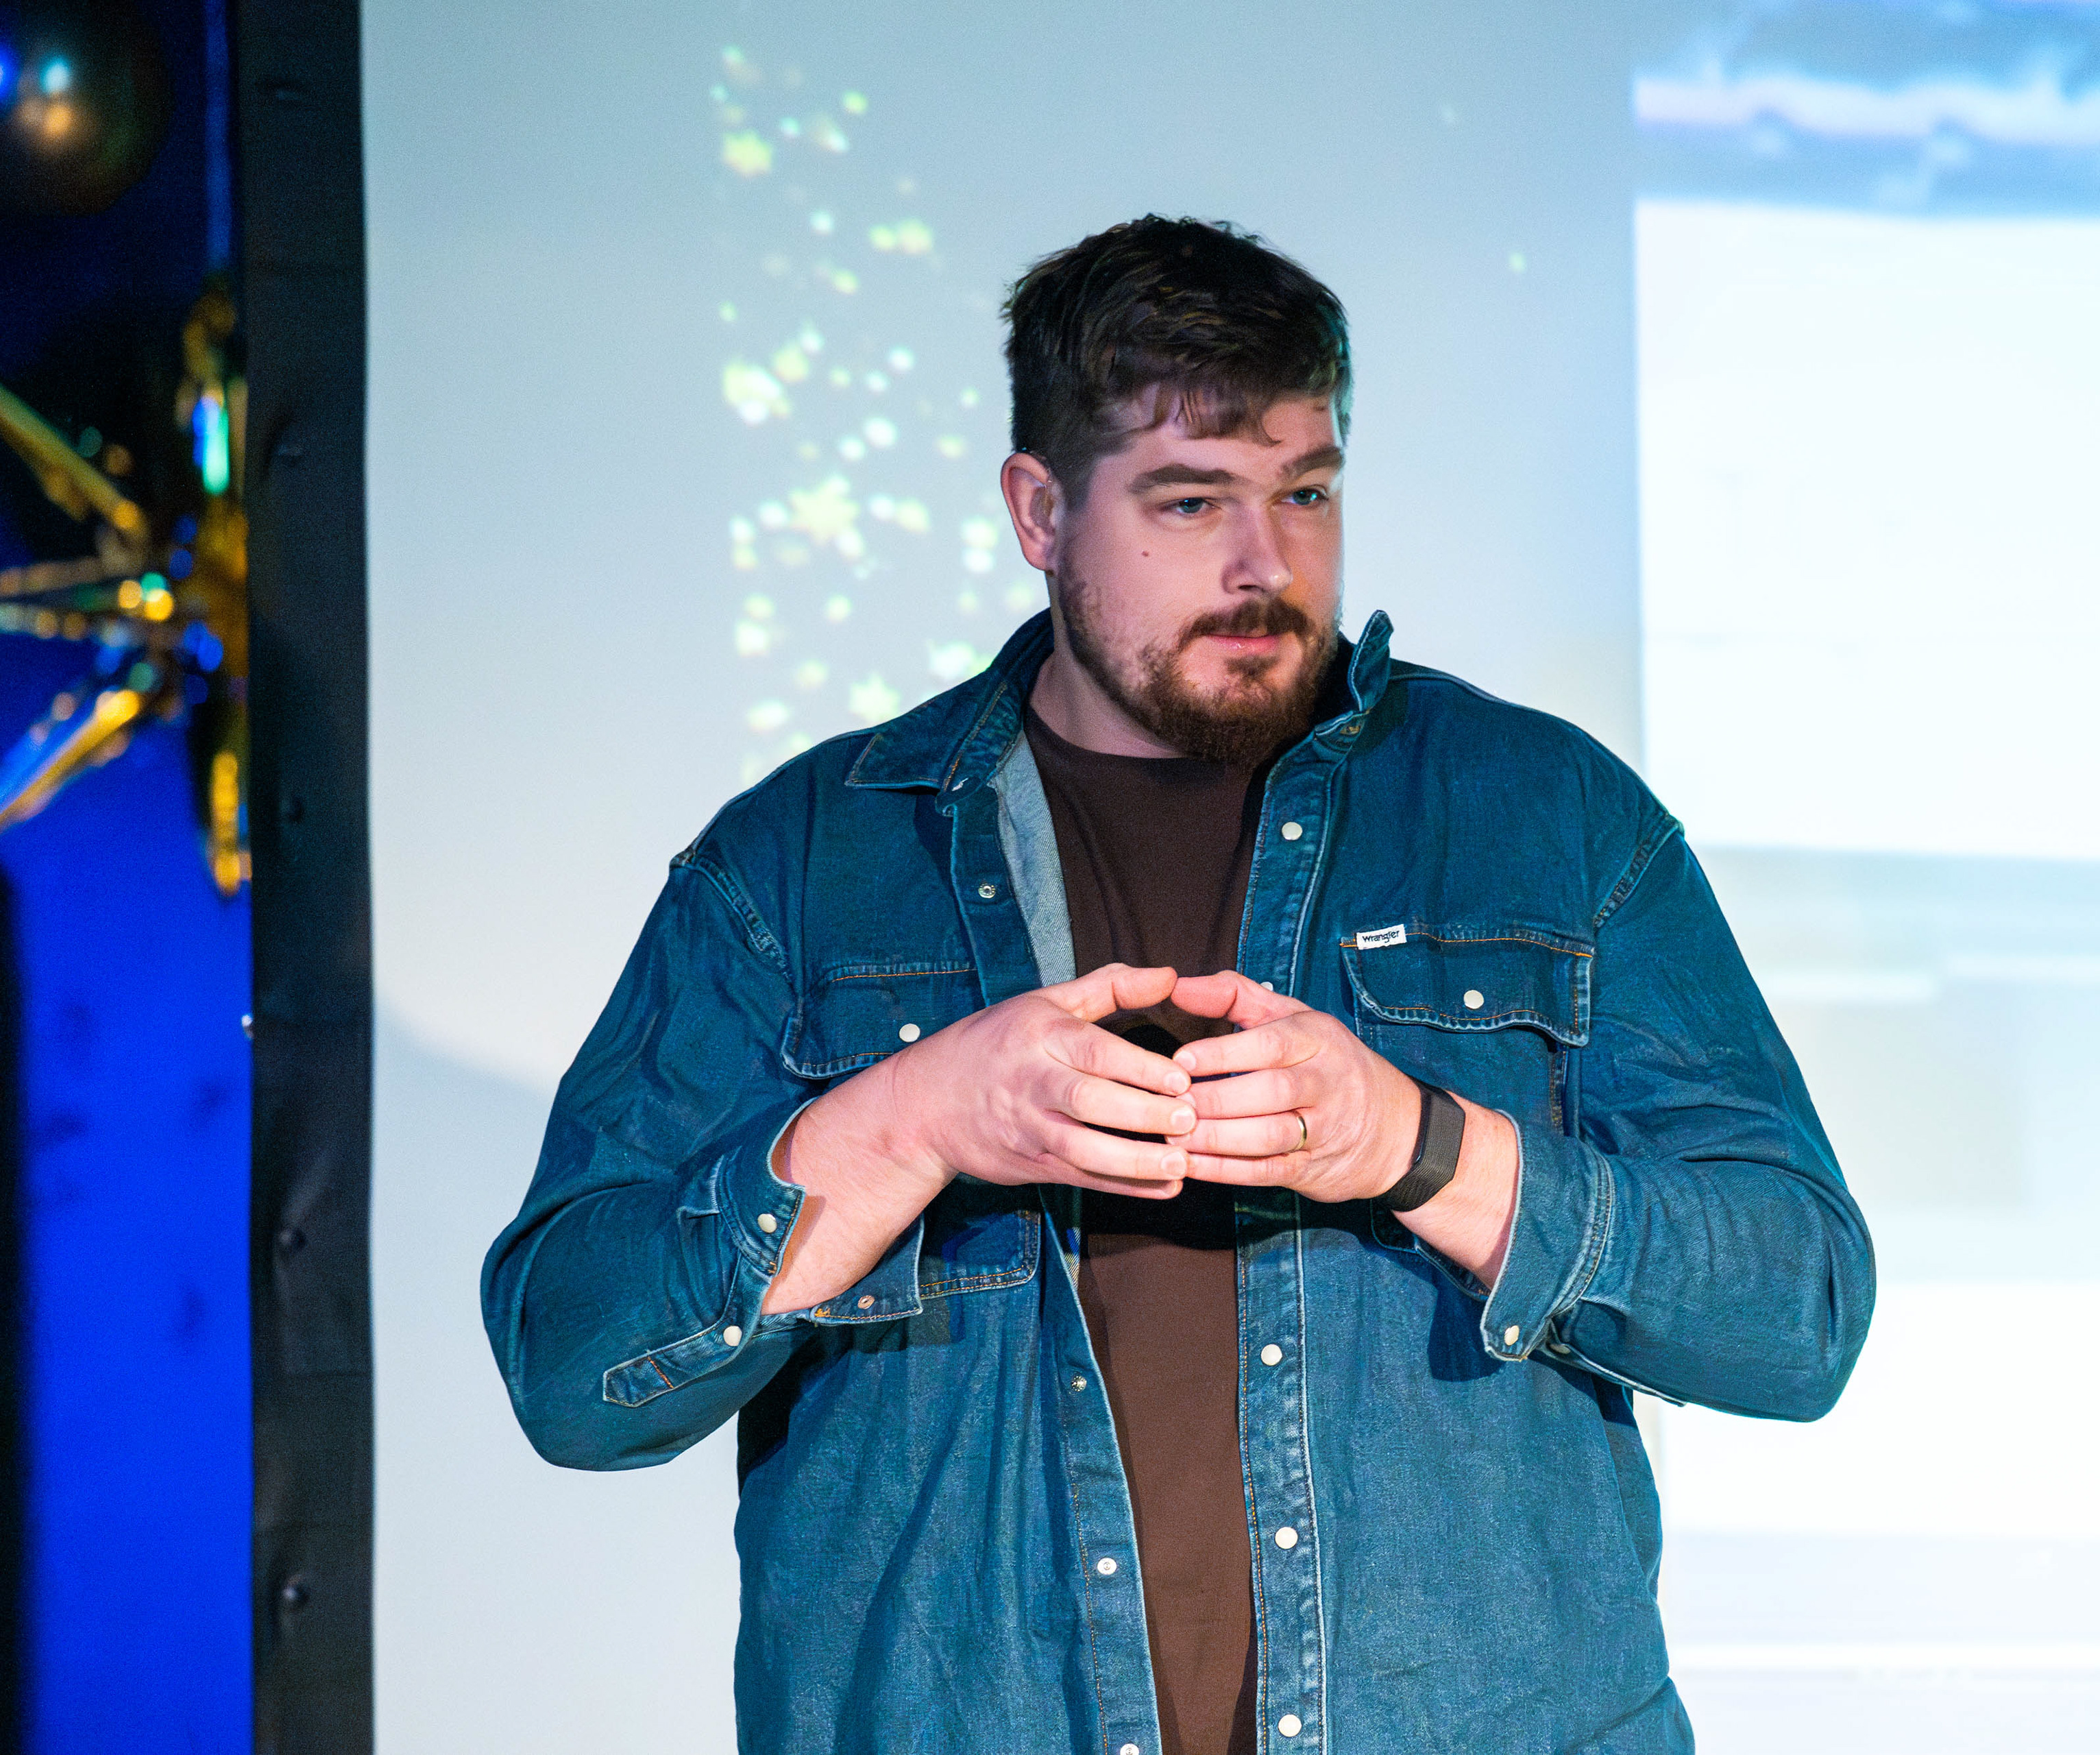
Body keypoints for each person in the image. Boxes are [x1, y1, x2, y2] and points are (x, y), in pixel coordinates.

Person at [483, 215, 1874, 1755]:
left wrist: (1420, 1145)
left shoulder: (1550, 820)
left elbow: (1799, 1310)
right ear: (1039, 511)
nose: (1266, 565)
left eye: (1307, 492)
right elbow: (574, 1367)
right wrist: (909, 1121)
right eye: (1192, 500)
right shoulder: (802, 866)